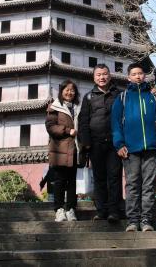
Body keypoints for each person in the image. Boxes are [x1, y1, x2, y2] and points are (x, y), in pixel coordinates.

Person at [111, 63, 156, 233]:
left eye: (140, 73)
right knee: (132, 184)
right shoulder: (122, 98)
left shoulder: (154, 97)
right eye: (134, 74)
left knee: (149, 184)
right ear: (128, 77)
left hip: (152, 147)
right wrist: (119, 144)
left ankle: (146, 219)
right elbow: (115, 124)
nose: (138, 76)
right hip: (130, 149)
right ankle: (133, 220)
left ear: (144, 76)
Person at [78, 64, 124, 222]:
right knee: (99, 178)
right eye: (98, 75)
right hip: (96, 144)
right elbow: (83, 121)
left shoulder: (120, 94)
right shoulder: (89, 97)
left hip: (114, 143)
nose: (102, 77)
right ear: (94, 77)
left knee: (114, 177)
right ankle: (101, 210)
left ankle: (114, 210)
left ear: (110, 76)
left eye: (104, 74)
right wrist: (85, 143)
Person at [45, 79, 81, 222]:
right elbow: (50, 127)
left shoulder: (78, 107)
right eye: (66, 89)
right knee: (59, 180)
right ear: (61, 92)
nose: (69, 92)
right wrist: (67, 130)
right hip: (60, 149)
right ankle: (59, 209)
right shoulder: (54, 107)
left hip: (74, 149)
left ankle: (71, 209)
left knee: (72, 182)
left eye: (72, 90)